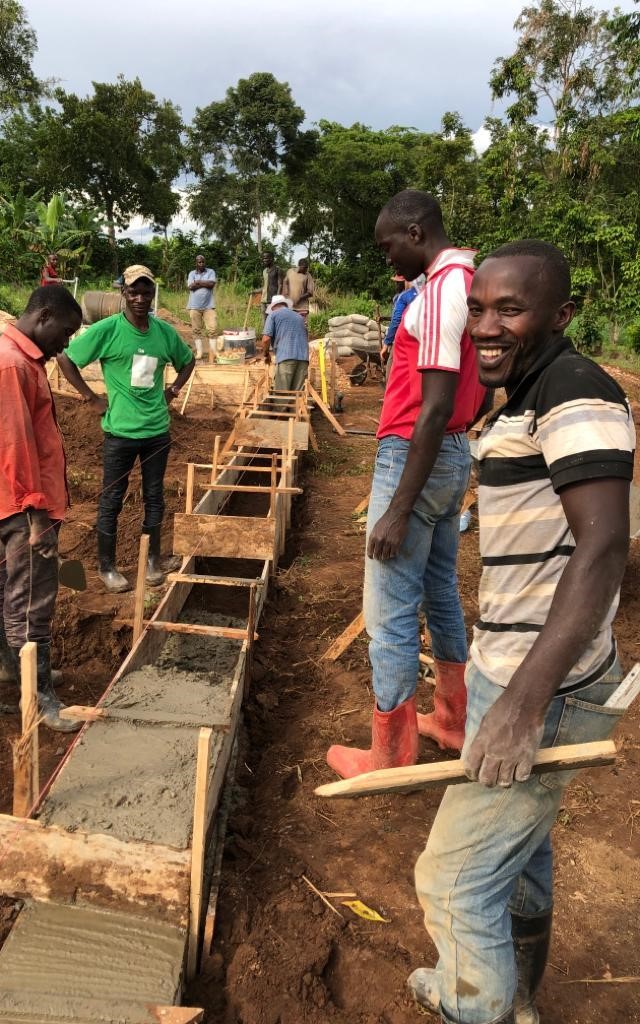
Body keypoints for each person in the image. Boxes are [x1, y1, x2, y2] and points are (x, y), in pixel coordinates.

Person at [409, 240, 635, 1024]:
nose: (486, 326)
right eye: (477, 308)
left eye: (511, 308)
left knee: (452, 881)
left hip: (545, 687)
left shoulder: (577, 395)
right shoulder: (525, 393)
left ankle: (474, 1005)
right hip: (508, 666)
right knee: (520, 858)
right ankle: (520, 1000)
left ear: (561, 314)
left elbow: (605, 544)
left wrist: (521, 706)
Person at [326, 189, 486, 779]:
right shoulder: (467, 282)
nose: (389, 258)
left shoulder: (443, 290)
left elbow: (435, 404)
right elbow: (478, 389)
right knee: (440, 587)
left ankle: (389, 752)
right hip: (449, 456)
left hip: (416, 456)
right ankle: (451, 716)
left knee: (389, 609)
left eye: (389, 245)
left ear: (416, 233)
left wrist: (396, 508)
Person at [0, 286, 84, 733]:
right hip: (24, 502)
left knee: (11, 584)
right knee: (33, 595)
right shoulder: (13, 364)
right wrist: (36, 513)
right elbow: (15, 443)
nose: (67, 343)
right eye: (66, 332)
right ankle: (39, 696)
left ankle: (11, 668)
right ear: (45, 316)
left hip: (14, 496)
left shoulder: (17, 357)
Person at [57, 265, 196, 592]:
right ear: (123, 292)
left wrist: (172, 391)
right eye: (133, 291)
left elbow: (187, 361)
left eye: (145, 292)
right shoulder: (107, 330)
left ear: (152, 295)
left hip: (157, 432)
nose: (139, 298)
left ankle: (152, 562)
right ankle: (107, 567)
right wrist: (90, 397)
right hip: (120, 433)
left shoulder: (163, 333)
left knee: (154, 497)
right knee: (112, 500)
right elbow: (65, 358)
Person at [261, 294, 310, 392]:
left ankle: (281, 408)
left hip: (286, 358)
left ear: (273, 307)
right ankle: (294, 408)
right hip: (303, 359)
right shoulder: (299, 317)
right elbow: (305, 336)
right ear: (285, 305)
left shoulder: (273, 315)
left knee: (281, 396)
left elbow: (266, 339)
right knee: (297, 396)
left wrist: (266, 354)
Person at [186, 253, 218, 360]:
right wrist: (204, 283)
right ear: (196, 263)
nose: (201, 263)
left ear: (205, 262)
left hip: (209, 306)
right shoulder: (191, 273)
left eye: (203, 261)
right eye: (199, 262)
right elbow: (191, 287)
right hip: (194, 306)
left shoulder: (211, 271)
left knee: (212, 329)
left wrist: (198, 282)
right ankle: (199, 353)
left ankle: (213, 353)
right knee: (196, 330)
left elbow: (211, 284)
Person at [382, 274, 419, 355]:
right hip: (420, 337)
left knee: (390, 365)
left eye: (398, 283)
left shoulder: (402, 296)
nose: (396, 285)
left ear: (405, 282)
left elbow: (396, 320)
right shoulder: (422, 292)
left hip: (405, 338)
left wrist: (387, 342)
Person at [282, 257, 315, 322]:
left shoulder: (308, 275)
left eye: (307, 267)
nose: (306, 269)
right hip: (290, 306)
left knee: (303, 326)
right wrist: (285, 294)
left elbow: (310, 292)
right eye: (305, 267)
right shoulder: (290, 271)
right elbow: (285, 282)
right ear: (299, 266)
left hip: (302, 307)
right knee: (291, 326)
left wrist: (299, 298)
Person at [257, 251, 284, 327]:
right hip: (263, 300)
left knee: (273, 320)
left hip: (272, 300)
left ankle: (274, 337)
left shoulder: (278, 270)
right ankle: (265, 336)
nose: (264, 260)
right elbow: (264, 286)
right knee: (264, 321)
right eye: (263, 258)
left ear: (271, 259)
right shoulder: (264, 271)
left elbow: (280, 285)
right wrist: (254, 291)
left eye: (266, 258)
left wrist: (277, 299)